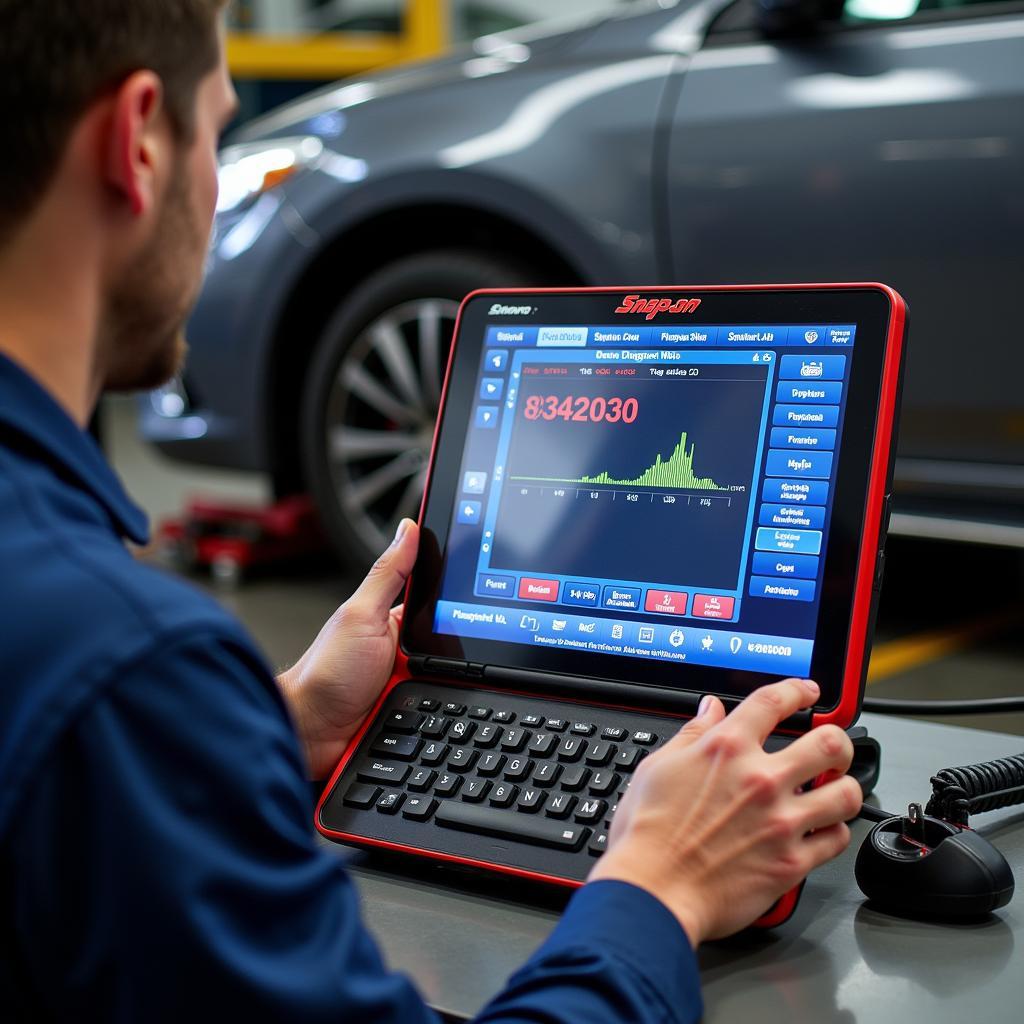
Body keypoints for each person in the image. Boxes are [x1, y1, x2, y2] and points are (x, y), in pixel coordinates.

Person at [0, 3, 862, 1021]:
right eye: (219, 133)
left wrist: (280, 725)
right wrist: (657, 883)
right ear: (139, 140)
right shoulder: (124, 662)